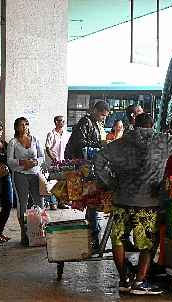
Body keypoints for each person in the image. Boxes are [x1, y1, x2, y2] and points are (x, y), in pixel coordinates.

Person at [93, 113, 172, 295]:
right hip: (148, 202)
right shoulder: (162, 141)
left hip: (121, 200)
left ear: (135, 124)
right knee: (148, 244)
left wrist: (109, 183)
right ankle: (139, 282)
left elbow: (98, 161)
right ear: (152, 125)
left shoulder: (119, 143)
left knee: (118, 240)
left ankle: (124, 280)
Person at [64, 101, 110, 249]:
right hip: (85, 169)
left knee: (93, 204)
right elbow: (79, 143)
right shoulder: (86, 122)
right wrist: (99, 144)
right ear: (95, 110)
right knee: (92, 203)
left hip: (91, 167)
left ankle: (92, 236)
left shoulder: (96, 123)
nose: (103, 118)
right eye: (102, 115)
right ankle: (93, 237)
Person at [7, 117, 45, 246]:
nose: (25, 127)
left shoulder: (35, 140)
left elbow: (41, 157)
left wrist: (35, 162)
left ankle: (40, 232)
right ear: (16, 127)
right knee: (22, 203)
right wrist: (23, 162)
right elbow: (10, 161)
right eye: (22, 125)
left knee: (39, 201)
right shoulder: (13, 142)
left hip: (34, 174)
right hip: (20, 174)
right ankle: (25, 233)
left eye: (26, 124)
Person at [45, 115, 70, 210]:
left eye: (63, 121)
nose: (62, 123)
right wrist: (53, 158)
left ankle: (61, 202)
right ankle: (52, 202)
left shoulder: (67, 134)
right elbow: (48, 148)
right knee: (52, 182)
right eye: (60, 121)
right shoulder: (51, 134)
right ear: (55, 122)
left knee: (63, 183)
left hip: (65, 162)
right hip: (54, 162)